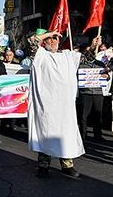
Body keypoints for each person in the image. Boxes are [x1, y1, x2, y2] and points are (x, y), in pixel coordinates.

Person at [27, 31, 83, 178]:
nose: (52, 41)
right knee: (46, 133)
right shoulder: (40, 55)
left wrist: (94, 45)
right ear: (44, 41)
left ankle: (67, 165)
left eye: (55, 38)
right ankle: (44, 165)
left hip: (65, 106)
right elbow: (32, 40)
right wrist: (50, 32)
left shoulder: (68, 56)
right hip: (47, 105)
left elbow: (88, 58)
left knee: (66, 134)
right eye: (49, 39)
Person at [77, 37, 108, 142]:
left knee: (98, 114)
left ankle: (97, 135)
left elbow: (106, 76)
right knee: (83, 115)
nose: (90, 53)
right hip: (85, 92)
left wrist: (106, 76)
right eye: (88, 51)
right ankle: (82, 135)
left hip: (98, 92)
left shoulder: (100, 64)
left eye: (92, 51)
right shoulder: (80, 64)